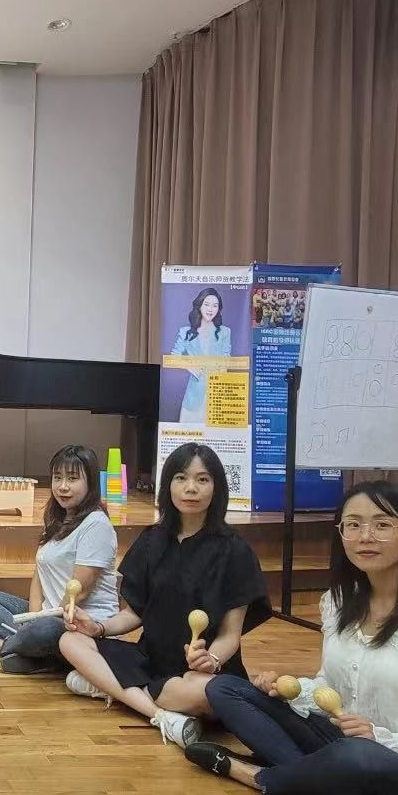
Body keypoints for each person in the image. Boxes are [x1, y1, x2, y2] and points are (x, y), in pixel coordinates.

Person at [186, 481, 398, 795]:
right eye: (353, 525)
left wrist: (383, 739)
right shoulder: (342, 604)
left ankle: (257, 776)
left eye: (382, 524)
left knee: (358, 755)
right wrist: (291, 690)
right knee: (225, 689)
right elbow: (332, 690)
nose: (365, 536)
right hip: (343, 744)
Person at [59, 442, 269, 748]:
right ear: (168, 485)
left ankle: (113, 688)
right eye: (181, 478)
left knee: (207, 693)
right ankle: (161, 715)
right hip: (150, 660)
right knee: (70, 640)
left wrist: (211, 659)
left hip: (199, 673)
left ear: (217, 488)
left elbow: (229, 635)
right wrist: (98, 627)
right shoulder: (152, 540)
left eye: (202, 479)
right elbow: (134, 613)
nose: (191, 488)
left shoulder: (235, 550)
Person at [0, 445, 119, 675]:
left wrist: (40, 624)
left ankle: (2, 646)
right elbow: (39, 574)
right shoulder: (58, 519)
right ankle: (38, 653)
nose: (63, 486)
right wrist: (33, 618)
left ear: (91, 483)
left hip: (79, 622)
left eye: (72, 479)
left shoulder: (96, 525)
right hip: (48, 613)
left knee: (46, 629)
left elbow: (79, 593)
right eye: (57, 478)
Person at [172, 287, 232, 423]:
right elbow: (174, 357)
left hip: (217, 394)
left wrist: (222, 374)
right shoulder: (186, 332)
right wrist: (190, 367)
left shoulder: (224, 332)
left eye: (215, 306)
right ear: (199, 305)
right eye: (207, 304)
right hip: (194, 395)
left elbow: (226, 357)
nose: (211, 309)